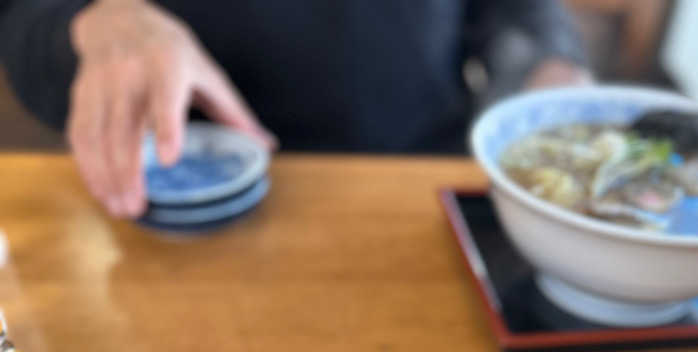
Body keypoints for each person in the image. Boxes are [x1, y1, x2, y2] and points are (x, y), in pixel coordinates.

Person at [0, 0, 590, 218]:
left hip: (420, 192)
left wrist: (547, 66)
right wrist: (94, 19)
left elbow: (518, 10)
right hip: (185, 205)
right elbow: (20, 22)